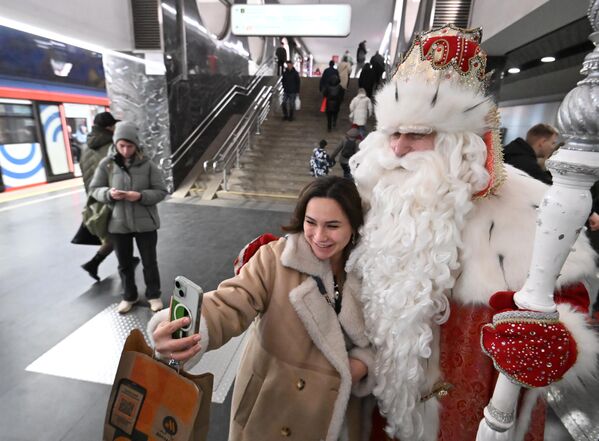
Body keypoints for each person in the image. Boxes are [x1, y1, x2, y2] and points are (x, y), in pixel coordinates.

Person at [346, 25, 598, 441]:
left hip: (470, 411)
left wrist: (558, 341)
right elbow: (330, 254)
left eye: (418, 134)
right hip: (381, 400)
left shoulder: (525, 200)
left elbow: (570, 293)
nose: (398, 149)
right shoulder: (374, 193)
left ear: (459, 141)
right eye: (393, 133)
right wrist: (280, 259)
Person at [149, 176, 375, 441]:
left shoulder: (368, 274)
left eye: (333, 226)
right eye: (310, 222)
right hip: (271, 410)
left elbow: (383, 337)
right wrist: (185, 327)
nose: (319, 236)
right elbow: (231, 301)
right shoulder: (275, 259)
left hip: (333, 417)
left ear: (354, 226)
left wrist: (362, 363)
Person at [89, 121, 168, 314]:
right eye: (121, 145)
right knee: (124, 264)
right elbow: (93, 189)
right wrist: (108, 193)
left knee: (150, 261)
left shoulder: (148, 164)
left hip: (145, 223)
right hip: (118, 223)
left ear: (136, 144)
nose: (125, 150)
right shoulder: (106, 164)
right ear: (115, 143)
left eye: (130, 146)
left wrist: (140, 196)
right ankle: (129, 296)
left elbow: (161, 191)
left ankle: (153, 294)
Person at [80, 111, 119, 281]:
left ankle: (127, 258)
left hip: (93, 195)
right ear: (109, 127)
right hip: (108, 195)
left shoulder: (85, 146)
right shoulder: (110, 146)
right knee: (116, 234)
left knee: (117, 231)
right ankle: (93, 263)